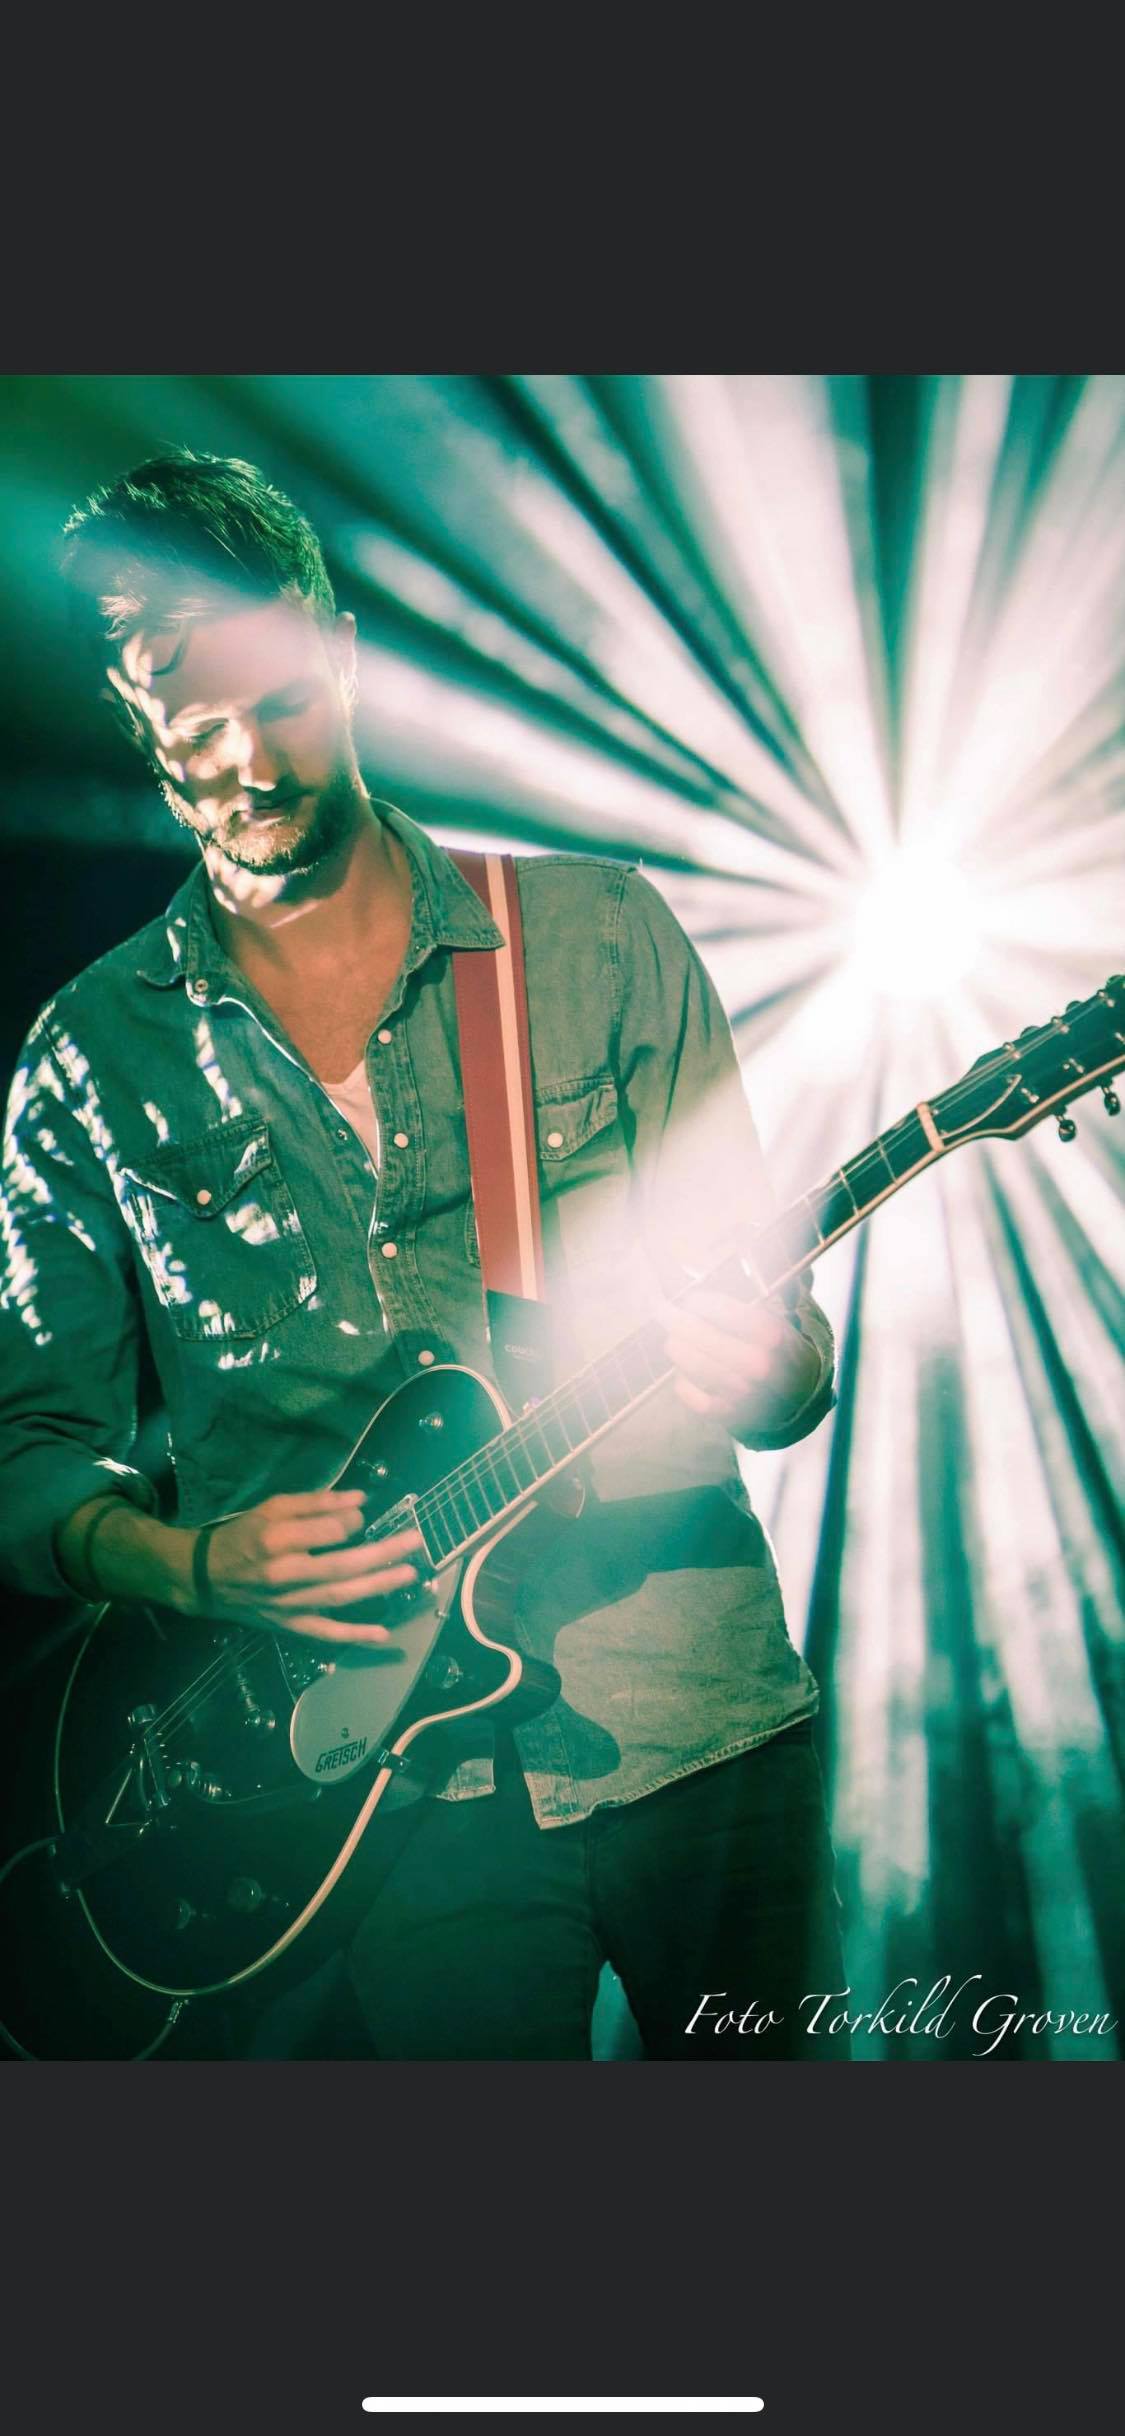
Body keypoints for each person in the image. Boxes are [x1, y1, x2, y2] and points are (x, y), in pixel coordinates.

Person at [0, 449, 849, 2060]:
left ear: (339, 653)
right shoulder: (90, 1055)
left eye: (283, 702)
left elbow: (781, 1348)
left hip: (694, 1715)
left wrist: (771, 1368)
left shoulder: (596, 937)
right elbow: (26, 1446)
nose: (256, 763)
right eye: (197, 727)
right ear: (131, 713)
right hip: (375, 1804)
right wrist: (190, 1566)